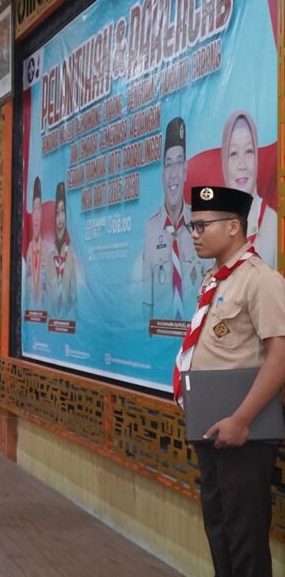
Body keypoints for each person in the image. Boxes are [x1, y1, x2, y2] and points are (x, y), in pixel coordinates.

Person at [177, 185, 285, 577]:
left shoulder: (260, 280)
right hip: (212, 426)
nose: (195, 234)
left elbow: (280, 356)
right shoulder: (215, 280)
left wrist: (241, 420)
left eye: (203, 225)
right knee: (220, 531)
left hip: (244, 432)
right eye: (192, 226)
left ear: (234, 226)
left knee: (245, 538)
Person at [139, 117, 201, 322]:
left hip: (193, 335)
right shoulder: (151, 228)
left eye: (179, 163)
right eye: (169, 164)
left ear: (185, 171)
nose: (173, 173)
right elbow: (146, 301)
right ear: (163, 173)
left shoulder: (200, 223)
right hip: (160, 335)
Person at [221, 110, 277, 266]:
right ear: (224, 162)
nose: (242, 165)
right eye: (233, 153)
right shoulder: (214, 226)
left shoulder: (274, 223)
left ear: (257, 157)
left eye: (249, 151)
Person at [45, 181, 77, 319]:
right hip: (51, 327)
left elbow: (76, 301)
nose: (59, 219)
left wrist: (65, 323)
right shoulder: (49, 258)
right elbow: (46, 299)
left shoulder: (73, 255)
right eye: (57, 213)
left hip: (68, 326)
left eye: (62, 211)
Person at [24, 176, 46, 310]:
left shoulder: (48, 250)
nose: (36, 216)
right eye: (34, 209)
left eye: (39, 209)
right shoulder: (29, 250)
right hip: (31, 315)